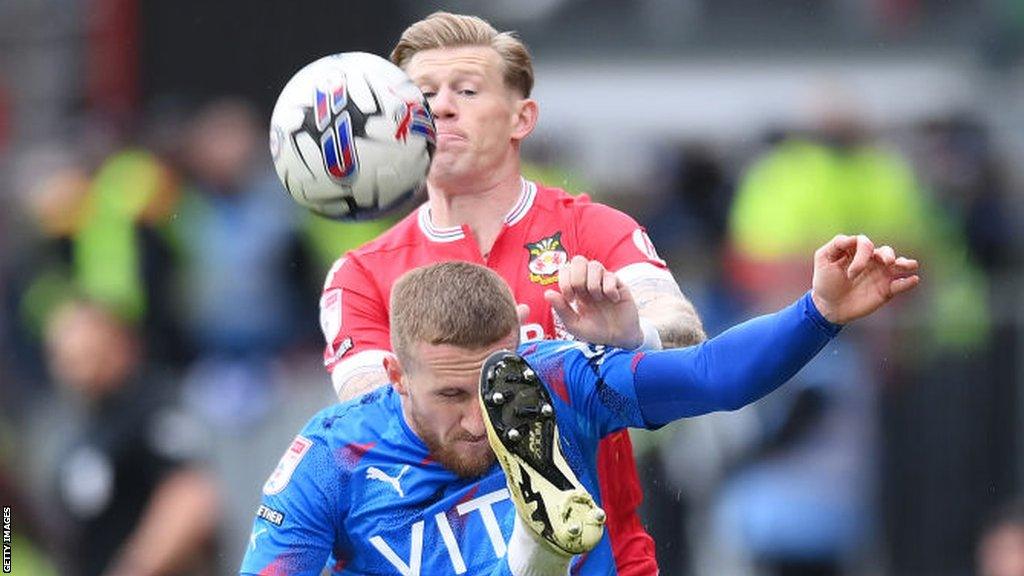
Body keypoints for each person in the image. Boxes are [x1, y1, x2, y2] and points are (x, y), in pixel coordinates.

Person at [242, 233, 918, 575]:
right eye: (450, 394)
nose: (479, 420)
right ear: (393, 375)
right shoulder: (332, 456)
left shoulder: (554, 379)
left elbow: (711, 377)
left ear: (518, 347)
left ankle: (537, 556)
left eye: (493, 384)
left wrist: (819, 311)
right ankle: (532, 557)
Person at [318, 12, 704, 573]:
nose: (442, 106)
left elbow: (683, 330)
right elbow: (374, 424)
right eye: (423, 94)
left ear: (523, 118)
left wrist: (631, 336)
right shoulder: (360, 275)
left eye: (467, 91)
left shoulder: (592, 231)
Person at [42, 299, 219, 576]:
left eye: (89, 355)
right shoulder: (78, 429)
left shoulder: (153, 406)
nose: (77, 370)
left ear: (121, 345)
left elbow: (190, 498)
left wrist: (133, 569)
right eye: (66, 358)